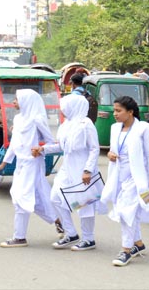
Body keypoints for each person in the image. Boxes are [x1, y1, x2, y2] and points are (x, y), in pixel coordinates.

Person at [32, 94, 107, 251]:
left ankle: (89, 239)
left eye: (66, 107)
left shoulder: (86, 124)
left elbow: (94, 149)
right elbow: (61, 147)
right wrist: (43, 149)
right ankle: (71, 233)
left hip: (83, 169)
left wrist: (87, 170)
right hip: (67, 168)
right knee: (55, 198)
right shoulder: (66, 125)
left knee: (84, 204)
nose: (63, 110)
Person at [0, 89, 59, 247]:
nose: (14, 102)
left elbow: (52, 143)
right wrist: (4, 163)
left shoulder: (37, 120)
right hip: (21, 164)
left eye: (17, 99)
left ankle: (19, 237)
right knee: (39, 198)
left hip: (33, 163)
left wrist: (41, 149)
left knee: (20, 198)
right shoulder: (18, 119)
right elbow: (14, 144)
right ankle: (60, 221)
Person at [101, 96, 149, 267]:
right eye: (114, 110)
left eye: (119, 111)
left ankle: (126, 250)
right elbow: (113, 150)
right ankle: (138, 244)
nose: (115, 114)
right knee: (129, 211)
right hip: (119, 177)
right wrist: (111, 155)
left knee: (126, 211)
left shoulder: (144, 128)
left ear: (131, 112)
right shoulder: (114, 128)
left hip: (138, 178)